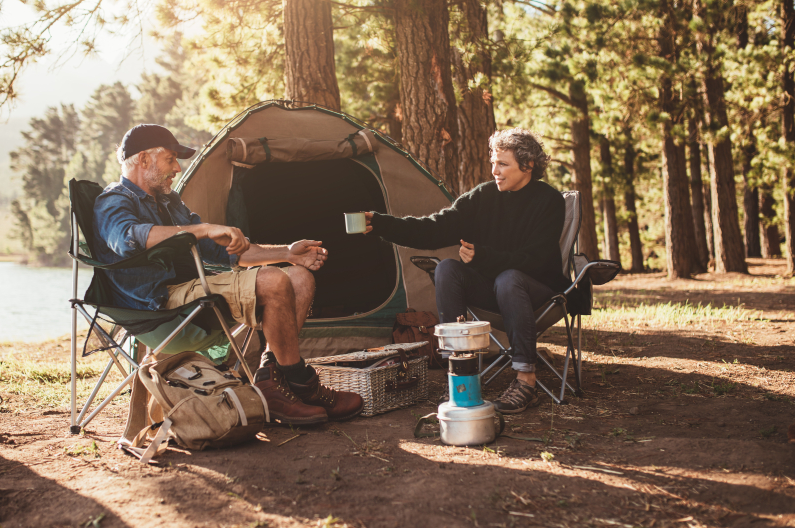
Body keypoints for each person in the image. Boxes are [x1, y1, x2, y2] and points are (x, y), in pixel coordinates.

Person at [92, 124, 363, 425]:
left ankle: (271, 382)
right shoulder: (114, 200)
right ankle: (302, 384)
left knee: (300, 277)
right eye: (170, 159)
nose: (177, 168)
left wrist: (286, 252)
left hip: (195, 292)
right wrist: (203, 229)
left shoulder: (169, 204)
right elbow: (126, 239)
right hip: (160, 306)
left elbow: (225, 254)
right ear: (143, 160)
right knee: (273, 280)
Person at [363, 128, 568, 414]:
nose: (494, 170)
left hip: (538, 293)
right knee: (448, 269)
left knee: (509, 278)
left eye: (503, 164)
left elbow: (536, 260)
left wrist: (484, 256)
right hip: (495, 291)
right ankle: (460, 372)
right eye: (493, 162)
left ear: (528, 165)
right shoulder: (484, 197)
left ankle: (526, 381)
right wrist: (382, 224)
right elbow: (434, 228)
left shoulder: (549, 201)